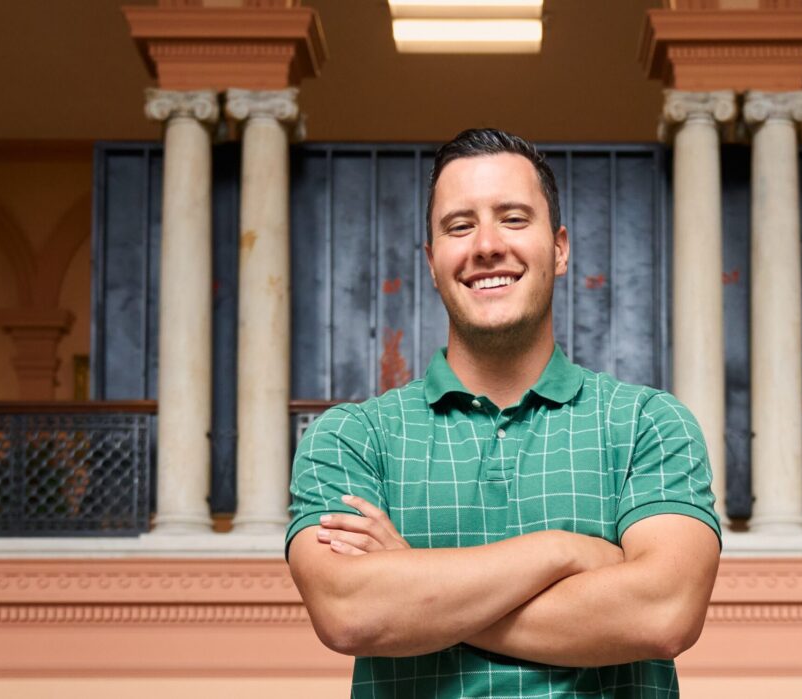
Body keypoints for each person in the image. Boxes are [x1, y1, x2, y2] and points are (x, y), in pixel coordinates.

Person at [285, 128, 721, 698]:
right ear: (432, 260)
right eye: (459, 226)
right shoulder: (350, 438)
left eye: (514, 219)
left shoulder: (647, 424)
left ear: (559, 248)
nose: (486, 245)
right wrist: (568, 551)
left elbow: (663, 613)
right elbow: (350, 613)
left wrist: (419, 588)